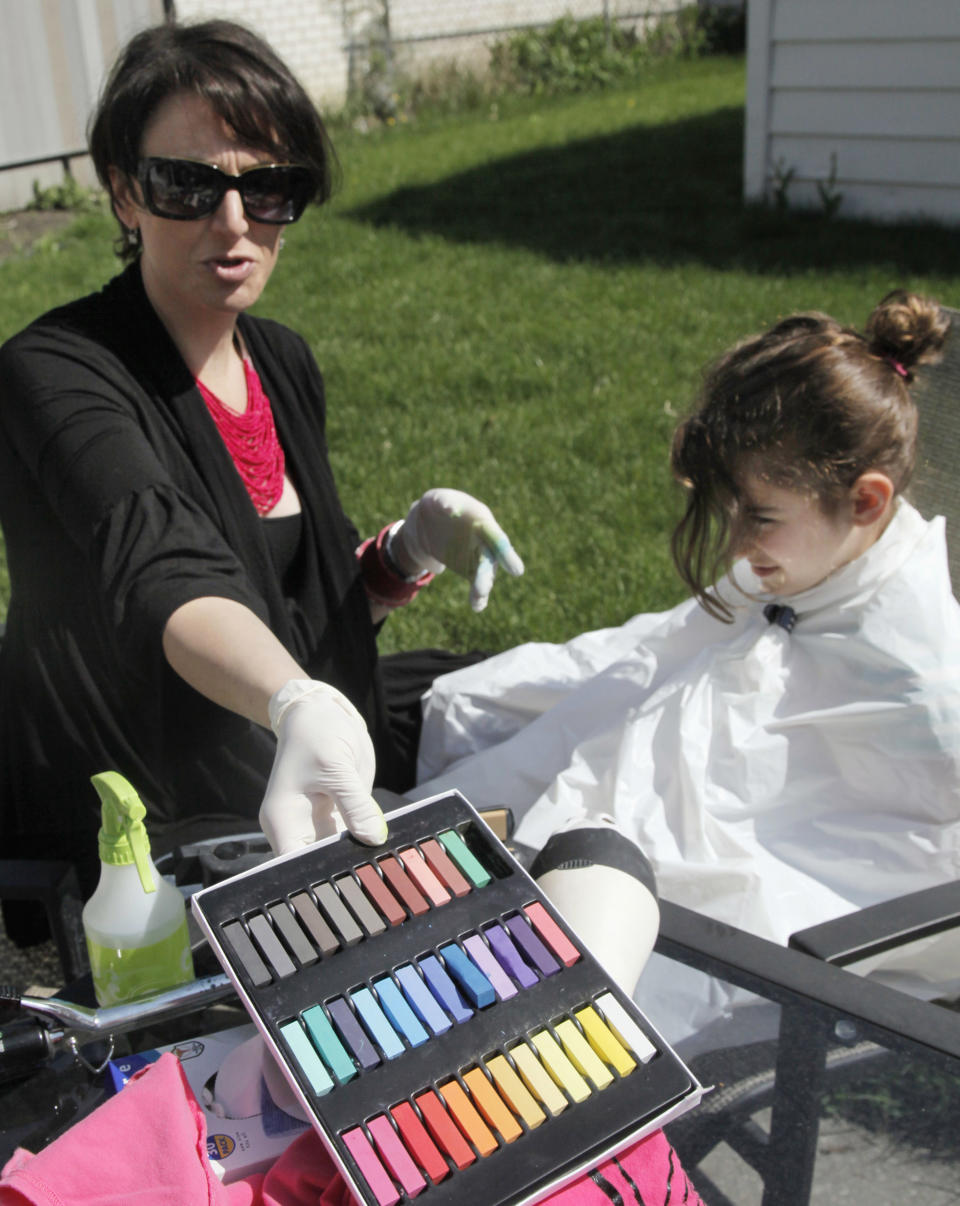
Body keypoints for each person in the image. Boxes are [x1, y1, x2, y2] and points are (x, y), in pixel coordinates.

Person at [0, 18, 525, 939]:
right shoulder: (54, 369)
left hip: (275, 728)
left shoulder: (280, 361)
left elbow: (293, 609)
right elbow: (157, 559)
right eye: (188, 185)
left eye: (269, 187)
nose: (234, 223)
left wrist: (400, 557)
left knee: (544, 713)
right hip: (143, 783)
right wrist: (294, 701)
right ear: (126, 195)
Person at [413, 291, 960, 1043]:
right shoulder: (807, 566)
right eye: (728, 512)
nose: (736, 547)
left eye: (760, 517)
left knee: (571, 964)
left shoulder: (917, 683)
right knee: (500, 743)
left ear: (866, 502)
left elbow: (885, 852)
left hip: (764, 939)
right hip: (626, 835)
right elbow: (662, 652)